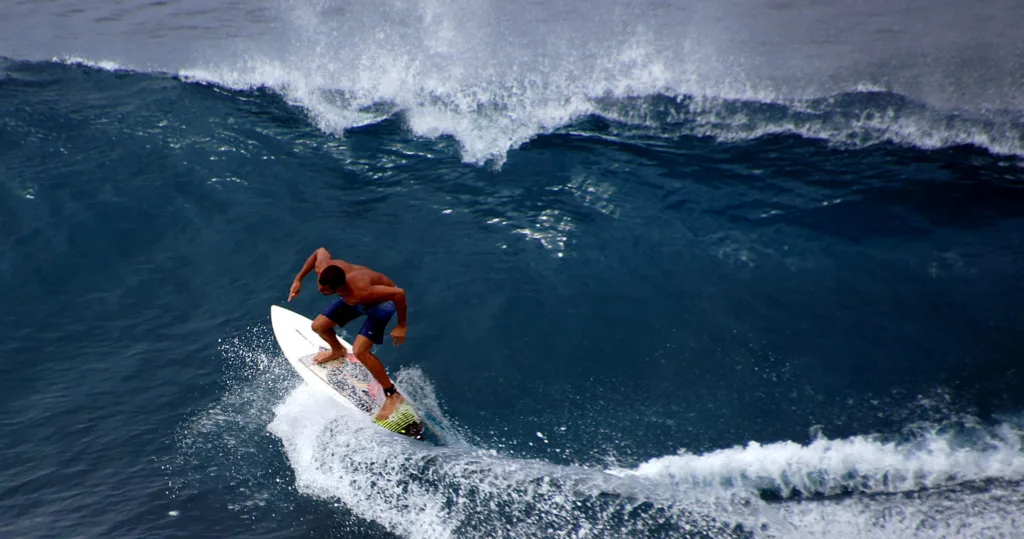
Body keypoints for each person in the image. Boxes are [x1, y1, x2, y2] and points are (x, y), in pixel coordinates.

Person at [288, 247, 407, 420]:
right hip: (353, 299)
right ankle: (337, 350)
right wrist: (298, 280)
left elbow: (399, 294)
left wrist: (401, 325)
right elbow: (319, 251)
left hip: (382, 303)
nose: (319, 290)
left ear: (338, 287)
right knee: (318, 326)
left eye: (324, 290)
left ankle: (392, 395)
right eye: (319, 284)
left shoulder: (362, 291)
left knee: (360, 351)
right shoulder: (325, 268)